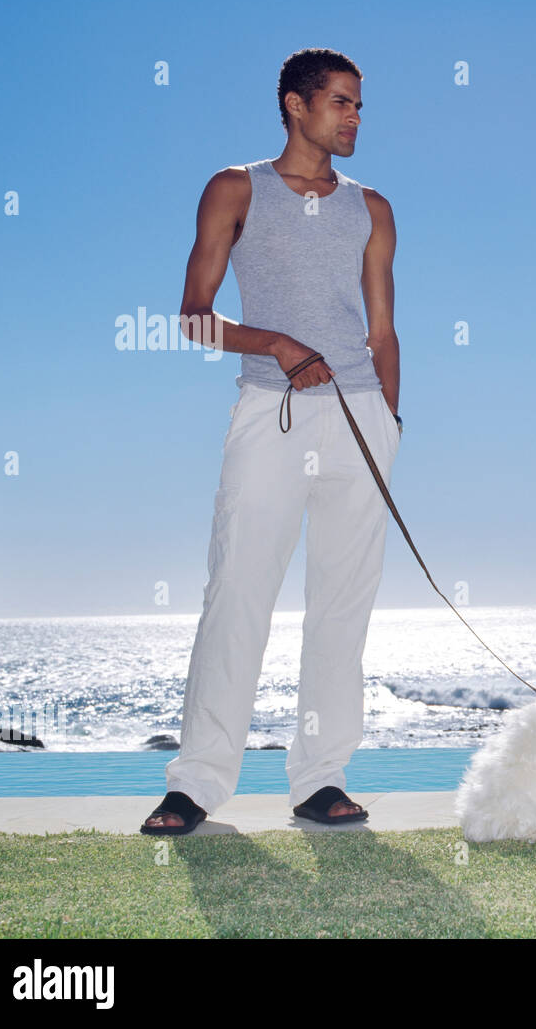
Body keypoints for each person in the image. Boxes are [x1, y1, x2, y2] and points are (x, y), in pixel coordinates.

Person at [142, 48, 402, 834]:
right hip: (272, 409)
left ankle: (320, 778)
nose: (355, 117)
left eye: (360, 106)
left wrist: (390, 420)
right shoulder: (235, 188)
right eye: (342, 103)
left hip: (361, 417)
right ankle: (196, 782)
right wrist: (278, 343)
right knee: (238, 593)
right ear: (296, 105)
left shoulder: (373, 207)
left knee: (342, 606)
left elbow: (384, 330)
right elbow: (193, 312)